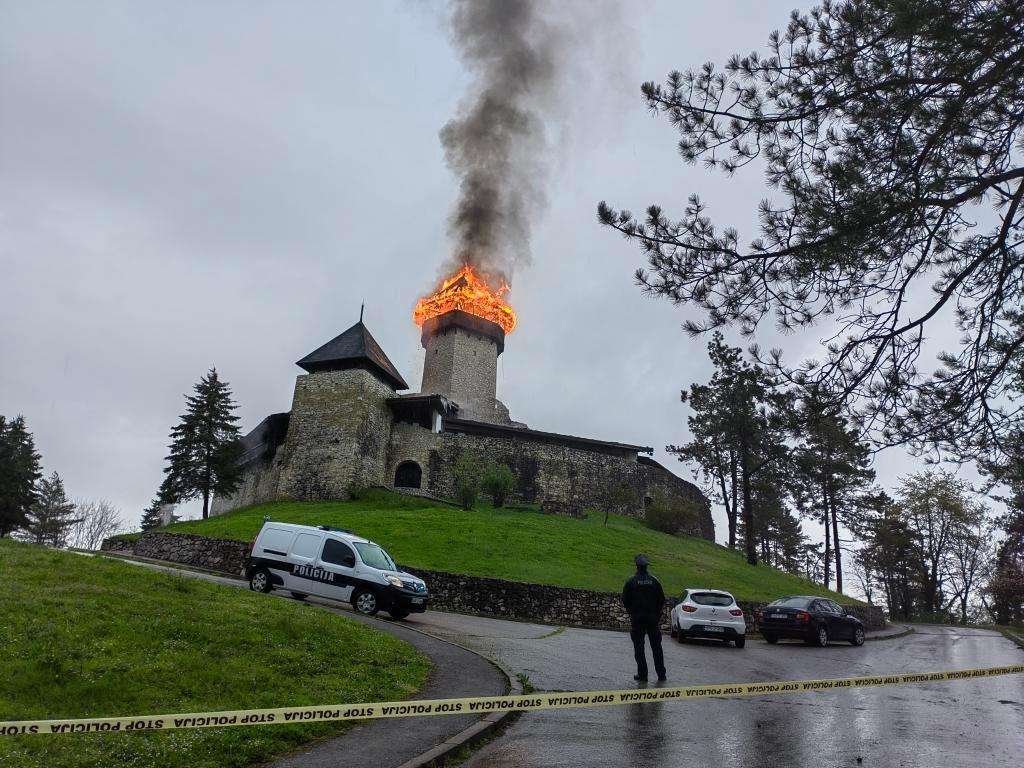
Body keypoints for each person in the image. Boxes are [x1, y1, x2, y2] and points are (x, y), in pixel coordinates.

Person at [622, 553, 666, 682]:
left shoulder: (631, 582)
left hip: (637, 619)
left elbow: (625, 600)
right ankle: (661, 674)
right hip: (652, 619)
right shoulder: (654, 581)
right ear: (647, 566)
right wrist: (657, 614)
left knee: (639, 648)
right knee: (657, 648)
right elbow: (661, 599)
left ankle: (643, 675)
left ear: (637, 566)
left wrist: (631, 612)